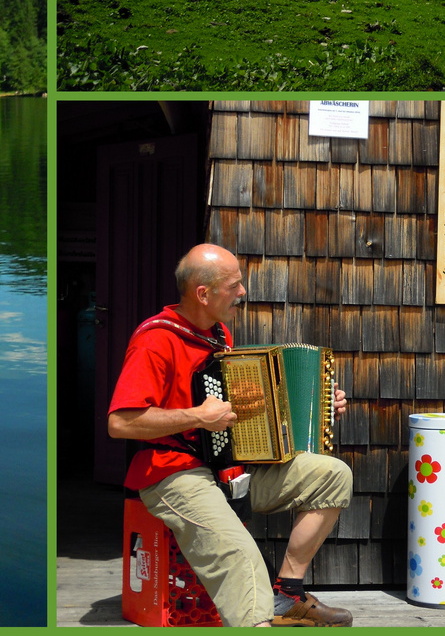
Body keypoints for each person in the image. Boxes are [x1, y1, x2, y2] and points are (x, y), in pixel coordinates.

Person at [108, 243, 354, 627]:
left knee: (332, 474)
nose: (243, 293)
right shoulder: (155, 340)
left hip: (227, 469)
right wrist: (197, 416)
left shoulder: (219, 335)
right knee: (241, 555)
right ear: (202, 294)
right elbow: (120, 423)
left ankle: (287, 594)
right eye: (234, 285)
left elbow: (238, 414)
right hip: (173, 472)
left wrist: (319, 404)